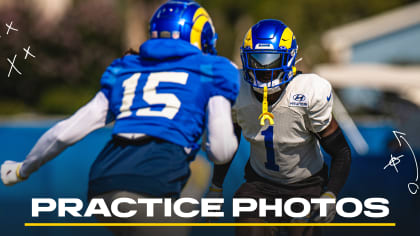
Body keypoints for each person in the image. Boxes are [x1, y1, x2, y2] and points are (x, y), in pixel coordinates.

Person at [1, 0, 239, 235]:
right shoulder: (212, 69)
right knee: (197, 173)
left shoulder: (127, 70)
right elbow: (220, 150)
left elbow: (65, 132)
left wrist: (23, 168)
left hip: (103, 183)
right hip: (152, 180)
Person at [207, 19, 352, 236]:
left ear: (290, 58)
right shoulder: (237, 89)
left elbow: (341, 151)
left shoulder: (308, 92)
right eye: (257, 61)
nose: (265, 70)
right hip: (259, 185)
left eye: (273, 61)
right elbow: (232, 139)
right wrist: (216, 186)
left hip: (306, 187)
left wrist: (330, 194)